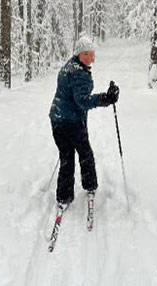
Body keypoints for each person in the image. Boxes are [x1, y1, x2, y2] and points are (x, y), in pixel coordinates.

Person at [49, 35, 119, 207]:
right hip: (71, 122)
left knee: (66, 156)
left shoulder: (69, 66)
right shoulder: (79, 73)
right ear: (79, 54)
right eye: (87, 54)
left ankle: (64, 196)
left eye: (92, 53)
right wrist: (106, 98)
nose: (92, 58)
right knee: (85, 154)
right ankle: (90, 185)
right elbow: (83, 101)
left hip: (57, 119)